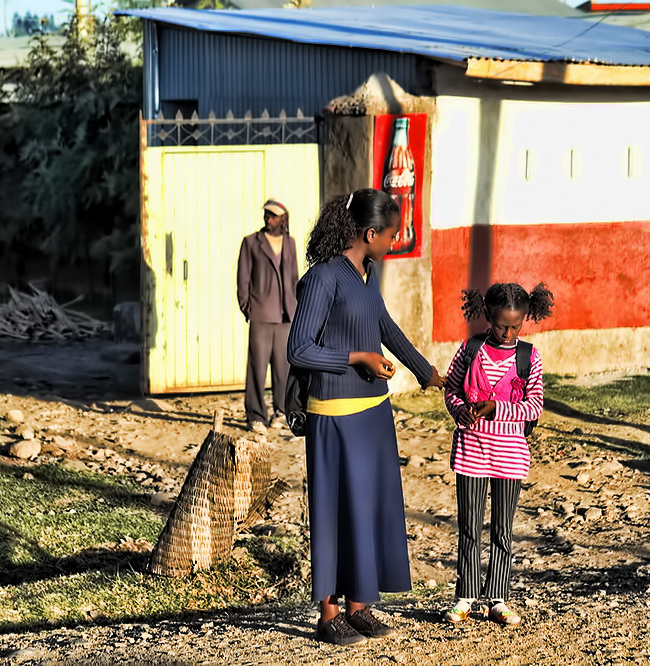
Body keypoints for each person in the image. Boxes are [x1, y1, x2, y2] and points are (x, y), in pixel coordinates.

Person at [287, 188, 445, 647]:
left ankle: (360, 606)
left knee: (369, 510)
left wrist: (425, 370)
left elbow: (385, 326)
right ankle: (329, 614)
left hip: (373, 412)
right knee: (336, 511)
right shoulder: (323, 278)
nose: (395, 242)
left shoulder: (365, 272)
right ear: (370, 232)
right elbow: (299, 348)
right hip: (334, 416)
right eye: (391, 235)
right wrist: (358, 357)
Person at [442, 282, 554, 627]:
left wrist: (496, 408)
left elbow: (534, 405)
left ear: (525, 321)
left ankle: (498, 598)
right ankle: (466, 596)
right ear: (488, 316)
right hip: (471, 451)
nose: (508, 333)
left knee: (503, 531)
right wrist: (458, 410)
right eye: (501, 325)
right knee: (469, 528)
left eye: (515, 326)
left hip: (511, 455)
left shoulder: (528, 357)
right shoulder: (470, 349)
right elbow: (452, 388)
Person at [237, 198, 299, 433]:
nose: (268, 219)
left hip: (285, 316)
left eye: (273, 215)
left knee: (283, 367)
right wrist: (248, 307)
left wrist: (296, 308)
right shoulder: (251, 243)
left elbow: (294, 278)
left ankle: (281, 412)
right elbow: (243, 279)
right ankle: (255, 416)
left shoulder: (290, 243)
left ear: (283, 219)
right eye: (266, 214)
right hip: (261, 315)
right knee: (257, 367)